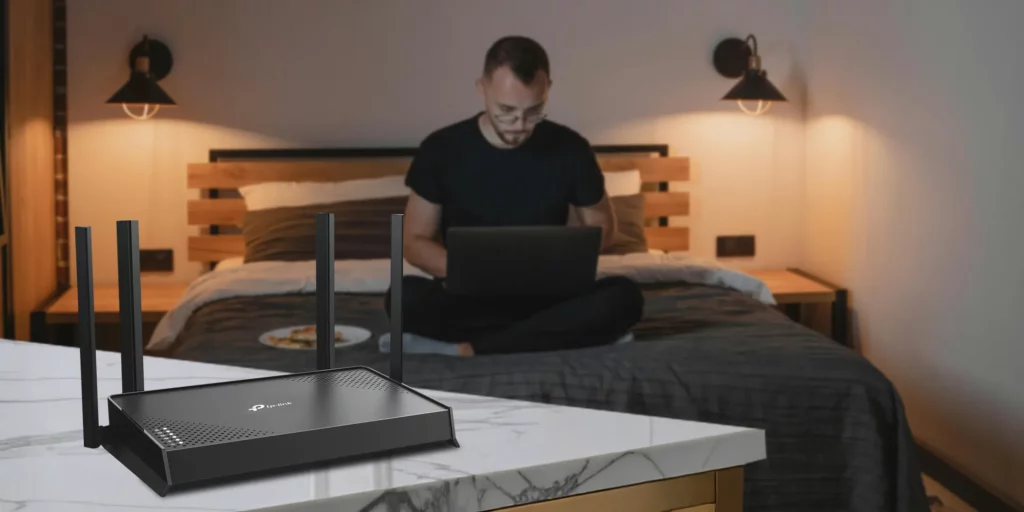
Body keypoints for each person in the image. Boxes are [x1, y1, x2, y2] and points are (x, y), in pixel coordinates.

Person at [385, 35, 644, 357]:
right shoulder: (441, 149)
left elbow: (605, 229)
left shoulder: (572, 148)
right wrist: (474, 273)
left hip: (549, 297)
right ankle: (545, 336)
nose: (520, 125)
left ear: (547, 88)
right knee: (401, 296)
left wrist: (556, 263)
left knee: (625, 297)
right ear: (482, 88)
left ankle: (472, 348)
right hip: (471, 299)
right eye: (506, 110)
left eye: (534, 111)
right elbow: (414, 240)